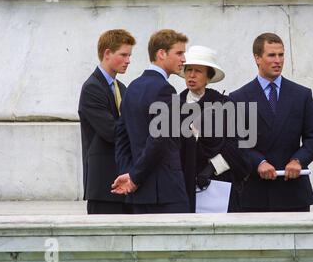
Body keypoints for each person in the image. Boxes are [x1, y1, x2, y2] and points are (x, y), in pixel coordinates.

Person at [228, 33, 313, 212]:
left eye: (281, 55)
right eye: (272, 55)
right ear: (257, 58)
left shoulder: (301, 95)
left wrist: (298, 160)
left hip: (293, 192)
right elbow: (237, 142)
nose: (278, 60)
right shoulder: (239, 97)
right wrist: (259, 162)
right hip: (255, 193)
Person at [112, 29, 190, 214]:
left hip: (138, 194)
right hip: (165, 193)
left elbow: (121, 138)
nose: (184, 59)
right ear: (161, 54)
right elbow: (159, 140)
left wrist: (129, 175)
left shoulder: (131, 88)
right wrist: (134, 178)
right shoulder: (165, 90)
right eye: (179, 53)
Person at [177, 45, 251, 212]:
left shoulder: (224, 104)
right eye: (188, 70)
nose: (192, 75)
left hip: (219, 185)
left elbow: (237, 146)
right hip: (183, 185)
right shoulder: (174, 104)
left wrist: (211, 168)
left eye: (198, 71)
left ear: (208, 76)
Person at [78, 29, 135, 214]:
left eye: (129, 55)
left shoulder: (122, 87)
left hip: (123, 183)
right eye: (123, 55)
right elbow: (112, 131)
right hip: (103, 185)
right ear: (107, 53)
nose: (128, 60)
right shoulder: (92, 88)